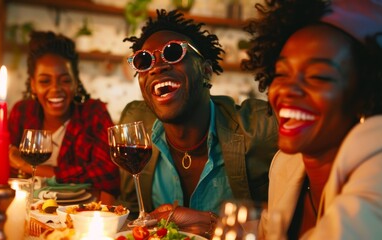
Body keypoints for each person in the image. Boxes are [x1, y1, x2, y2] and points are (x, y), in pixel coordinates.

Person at [117, 9, 279, 237]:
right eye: (144, 61)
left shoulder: (260, 127)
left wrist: (213, 224)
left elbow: (293, 219)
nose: (157, 67)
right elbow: (130, 212)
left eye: (173, 52)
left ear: (205, 71)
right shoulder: (136, 125)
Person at [242, 0, 382, 239]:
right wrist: (208, 223)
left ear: (365, 94)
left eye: (318, 76)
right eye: (281, 73)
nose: (288, 89)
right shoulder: (286, 164)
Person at [0, 31, 120, 202]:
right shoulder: (22, 112)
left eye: (65, 80)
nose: (55, 89)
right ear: (33, 85)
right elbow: (5, 172)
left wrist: (26, 164)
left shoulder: (93, 113)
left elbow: (108, 174)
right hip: (30, 211)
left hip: (81, 214)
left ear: (75, 83)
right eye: (45, 81)